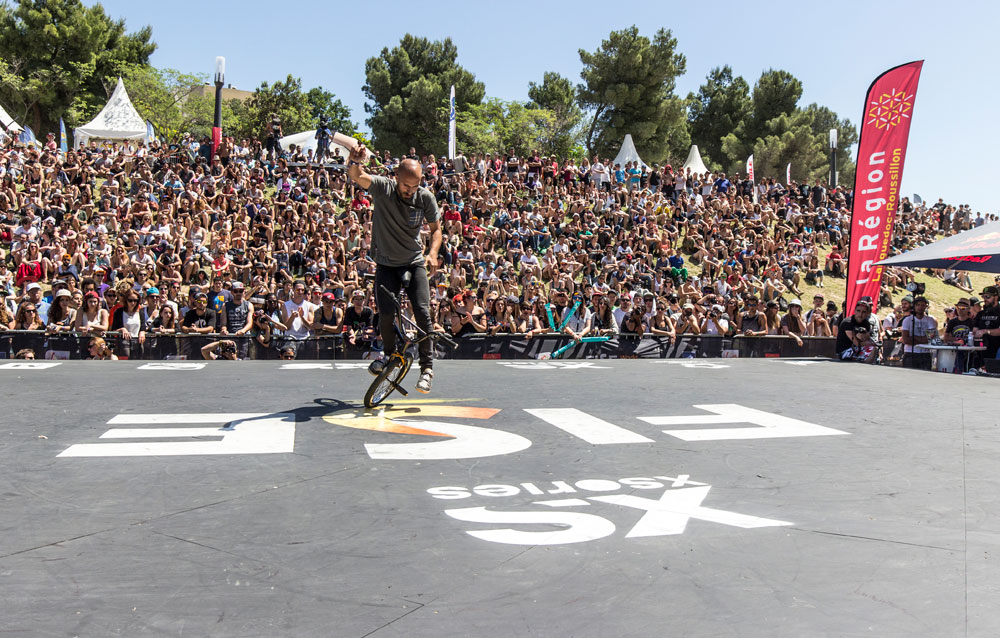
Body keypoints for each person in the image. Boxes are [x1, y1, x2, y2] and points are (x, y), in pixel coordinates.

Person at [347, 143, 441, 394]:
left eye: (415, 185)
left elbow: (436, 231)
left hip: (413, 261)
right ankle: (389, 356)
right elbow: (358, 177)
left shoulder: (425, 198)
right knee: (385, 313)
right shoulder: (383, 188)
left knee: (422, 311)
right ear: (396, 177)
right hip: (387, 264)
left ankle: (427, 368)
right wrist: (355, 162)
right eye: (406, 185)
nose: (410, 190)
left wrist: (432, 254)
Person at [835, 299, 880, 364]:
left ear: (867, 313)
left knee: (874, 350)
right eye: (858, 311)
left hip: (858, 348)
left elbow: (867, 339)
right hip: (844, 351)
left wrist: (869, 341)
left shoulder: (866, 323)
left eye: (863, 312)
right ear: (855, 311)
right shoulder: (848, 322)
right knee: (871, 349)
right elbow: (857, 343)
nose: (860, 314)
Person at [900, 295, 937, 370]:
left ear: (925, 307)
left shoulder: (930, 320)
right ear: (914, 306)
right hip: (910, 353)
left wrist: (914, 338)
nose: (920, 307)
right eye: (918, 305)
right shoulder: (907, 320)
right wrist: (923, 339)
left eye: (922, 305)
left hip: (925, 354)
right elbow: (906, 340)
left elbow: (932, 339)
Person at [973, 285, 1000, 360]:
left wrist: (985, 331)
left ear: (996, 297)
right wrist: (974, 333)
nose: (985, 299)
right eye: (983, 297)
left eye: (988, 296)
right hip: (980, 350)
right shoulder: (980, 313)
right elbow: (975, 329)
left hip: (996, 351)